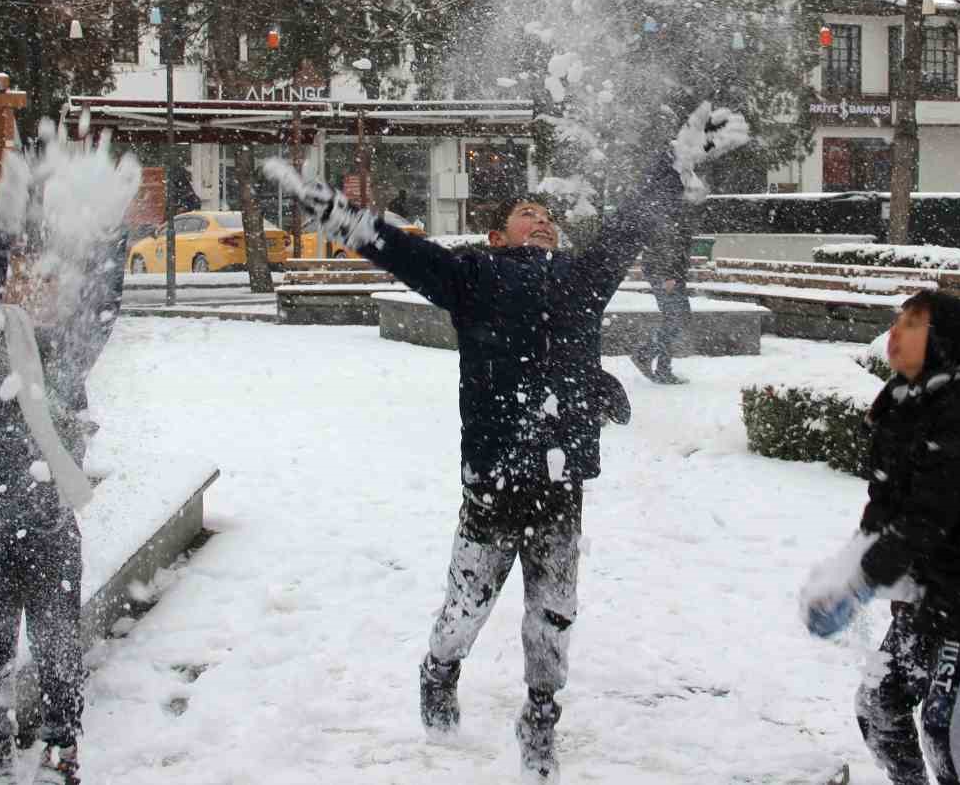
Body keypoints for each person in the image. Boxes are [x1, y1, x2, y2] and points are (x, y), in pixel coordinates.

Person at [270, 104, 746, 782]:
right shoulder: (472, 277)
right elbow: (395, 247)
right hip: (493, 479)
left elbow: (630, 226)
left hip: (559, 483)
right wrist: (329, 209)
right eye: (528, 213)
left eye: (548, 216)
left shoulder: (581, 279)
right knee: (467, 604)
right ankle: (440, 669)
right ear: (496, 236)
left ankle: (541, 715)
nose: (543, 220)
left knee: (554, 612)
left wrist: (675, 163)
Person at [803, 291, 960, 785]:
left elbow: (927, 518)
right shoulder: (899, 405)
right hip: (925, 592)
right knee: (879, 706)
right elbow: (884, 506)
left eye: (913, 324)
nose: (896, 332)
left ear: (942, 342)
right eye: (898, 320)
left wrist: (861, 582)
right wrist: (849, 568)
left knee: (945, 729)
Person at [0, 211, 125, 785]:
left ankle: (60, 750)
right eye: (24, 277)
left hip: (50, 525)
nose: (37, 289)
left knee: (58, 648)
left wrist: (109, 224)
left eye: (50, 280)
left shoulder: (69, 355)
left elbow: (104, 301)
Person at [630, 201, 698, 384]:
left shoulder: (676, 210)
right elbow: (666, 243)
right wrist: (668, 275)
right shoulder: (672, 211)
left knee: (677, 319)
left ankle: (649, 358)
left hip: (671, 275)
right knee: (676, 319)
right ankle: (655, 363)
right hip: (667, 276)